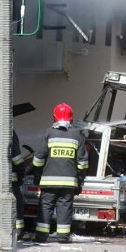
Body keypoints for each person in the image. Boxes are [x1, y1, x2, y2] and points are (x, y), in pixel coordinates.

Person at [31, 103, 89, 243]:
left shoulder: (48, 133)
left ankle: (41, 237)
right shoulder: (77, 135)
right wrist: (80, 181)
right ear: (71, 118)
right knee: (65, 207)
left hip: (48, 182)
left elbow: (38, 158)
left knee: (45, 207)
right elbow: (83, 163)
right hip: (69, 182)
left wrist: (37, 175)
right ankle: (63, 237)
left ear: (54, 117)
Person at [0, 102, 31, 240]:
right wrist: (21, 173)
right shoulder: (9, 133)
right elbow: (16, 158)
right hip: (9, 179)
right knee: (16, 204)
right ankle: (18, 232)